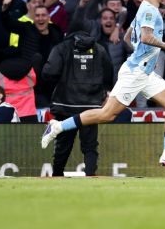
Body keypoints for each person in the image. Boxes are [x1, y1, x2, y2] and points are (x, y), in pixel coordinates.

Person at [41, 0, 165, 173]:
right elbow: (145, 36)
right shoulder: (149, 11)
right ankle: (58, 127)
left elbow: (128, 36)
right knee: (107, 114)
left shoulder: (145, 9)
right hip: (136, 73)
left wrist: (142, 54)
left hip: (144, 72)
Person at [42, 31, 114, 177]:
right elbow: (109, 73)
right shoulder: (99, 48)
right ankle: (90, 175)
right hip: (91, 104)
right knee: (90, 145)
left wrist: (57, 86)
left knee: (63, 144)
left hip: (65, 103)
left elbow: (49, 72)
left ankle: (57, 175)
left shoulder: (61, 47)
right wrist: (103, 91)